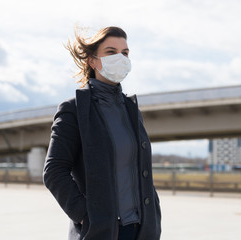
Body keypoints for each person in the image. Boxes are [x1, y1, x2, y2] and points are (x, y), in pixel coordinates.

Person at [43, 26, 162, 240]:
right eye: (111, 52)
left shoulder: (131, 109)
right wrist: (86, 216)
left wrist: (154, 215)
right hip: (101, 231)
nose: (121, 58)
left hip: (141, 230)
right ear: (92, 61)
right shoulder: (74, 110)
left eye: (125, 53)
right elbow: (54, 171)